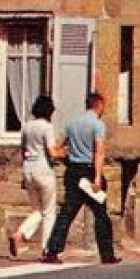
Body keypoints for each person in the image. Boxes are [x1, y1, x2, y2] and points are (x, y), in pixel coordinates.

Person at [42, 91, 120, 265]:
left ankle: (52, 250)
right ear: (98, 105)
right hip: (89, 171)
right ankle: (107, 254)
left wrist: (68, 156)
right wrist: (98, 177)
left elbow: (56, 148)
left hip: (73, 172)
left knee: (67, 213)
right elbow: (99, 152)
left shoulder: (71, 123)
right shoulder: (98, 125)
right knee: (101, 215)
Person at [9, 95, 65, 260]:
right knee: (49, 212)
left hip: (28, 169)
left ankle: (20, 234)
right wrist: (65, 152)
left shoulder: (26, 126)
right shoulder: (46, 127)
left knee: (37, 210)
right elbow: (53, 152)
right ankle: (47, 249)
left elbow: (22, 149)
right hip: (43, 169)